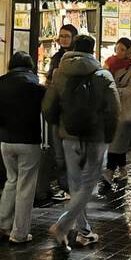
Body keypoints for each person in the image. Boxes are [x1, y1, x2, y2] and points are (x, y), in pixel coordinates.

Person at [42, 34, 120, 251]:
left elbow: (48, 107)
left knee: (77, 185)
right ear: (93, 50)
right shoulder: (103, 75)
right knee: (88, 185)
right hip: (95, 137)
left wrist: (61, 126)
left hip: (69, 137)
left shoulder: (60, 73)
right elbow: (114, 110)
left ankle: (84, 232)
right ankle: (63, 225)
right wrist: (109, 136)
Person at [0, 51, 45, 243]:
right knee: (26, 187)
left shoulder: (0, 86)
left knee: (11, 181)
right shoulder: (36, 87)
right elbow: (47, 111)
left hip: (7, 141)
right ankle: (19, 233)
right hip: (29, 141)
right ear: (30, 66)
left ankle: (2, 222)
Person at [45, 24, 78, 202]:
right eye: (61, 36)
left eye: (67, 36)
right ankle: (65, 186)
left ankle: (71, 186)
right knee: (58, 153)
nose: (63, 39)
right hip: (57, 110)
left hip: (71, 112)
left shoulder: (77, 58)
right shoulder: (56, 57)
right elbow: (50, 80)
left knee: (71, 151)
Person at [102, 37, 131, 190]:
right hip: (110, 109)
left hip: (125, 111)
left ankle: (109, 171)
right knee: (117, 143)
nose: (119, 52)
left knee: (116, 142)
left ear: (129, 52)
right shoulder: (108, 63)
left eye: (123, 49)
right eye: (117, 48)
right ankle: (123, 168)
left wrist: (115, 90)